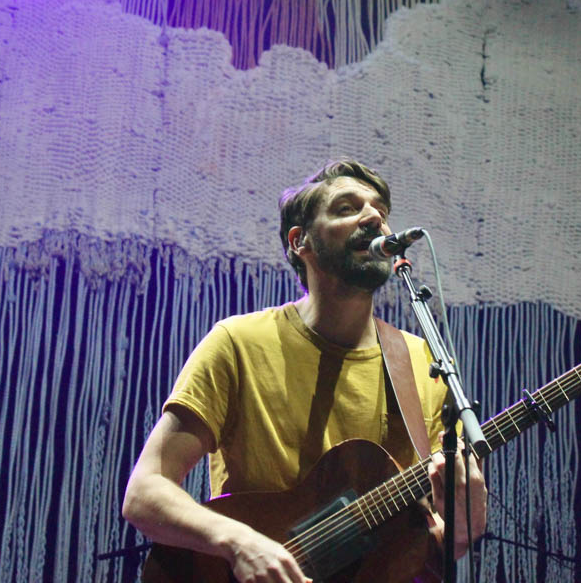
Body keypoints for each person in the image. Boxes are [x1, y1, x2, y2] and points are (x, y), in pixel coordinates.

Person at [122, 159, 487, 582]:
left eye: (381, 211)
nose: (374, 218)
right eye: (348, 208)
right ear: (301, 241)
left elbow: (432, 546)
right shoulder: (238, 343)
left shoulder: (424, 363)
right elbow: (144, 492)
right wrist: (240, 543)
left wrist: (465, 526)